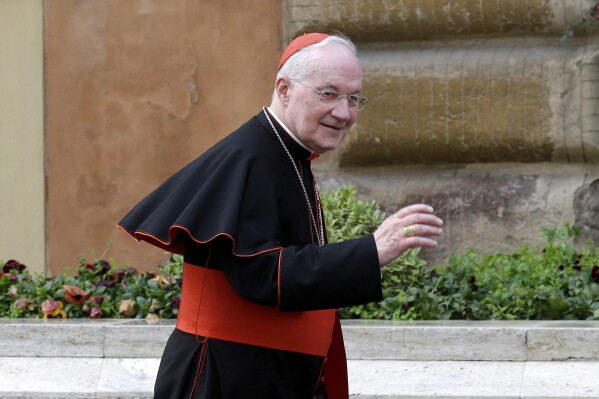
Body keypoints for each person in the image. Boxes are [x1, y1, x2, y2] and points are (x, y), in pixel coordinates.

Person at [118, 32, 443, 399]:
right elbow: (262, 274)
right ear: (284, 89)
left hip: (270, 373)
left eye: (353, 98)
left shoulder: (289, 154)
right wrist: (372, 250)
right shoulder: (248, 158)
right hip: (226, 378)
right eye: (328, 93)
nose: (344, 112)